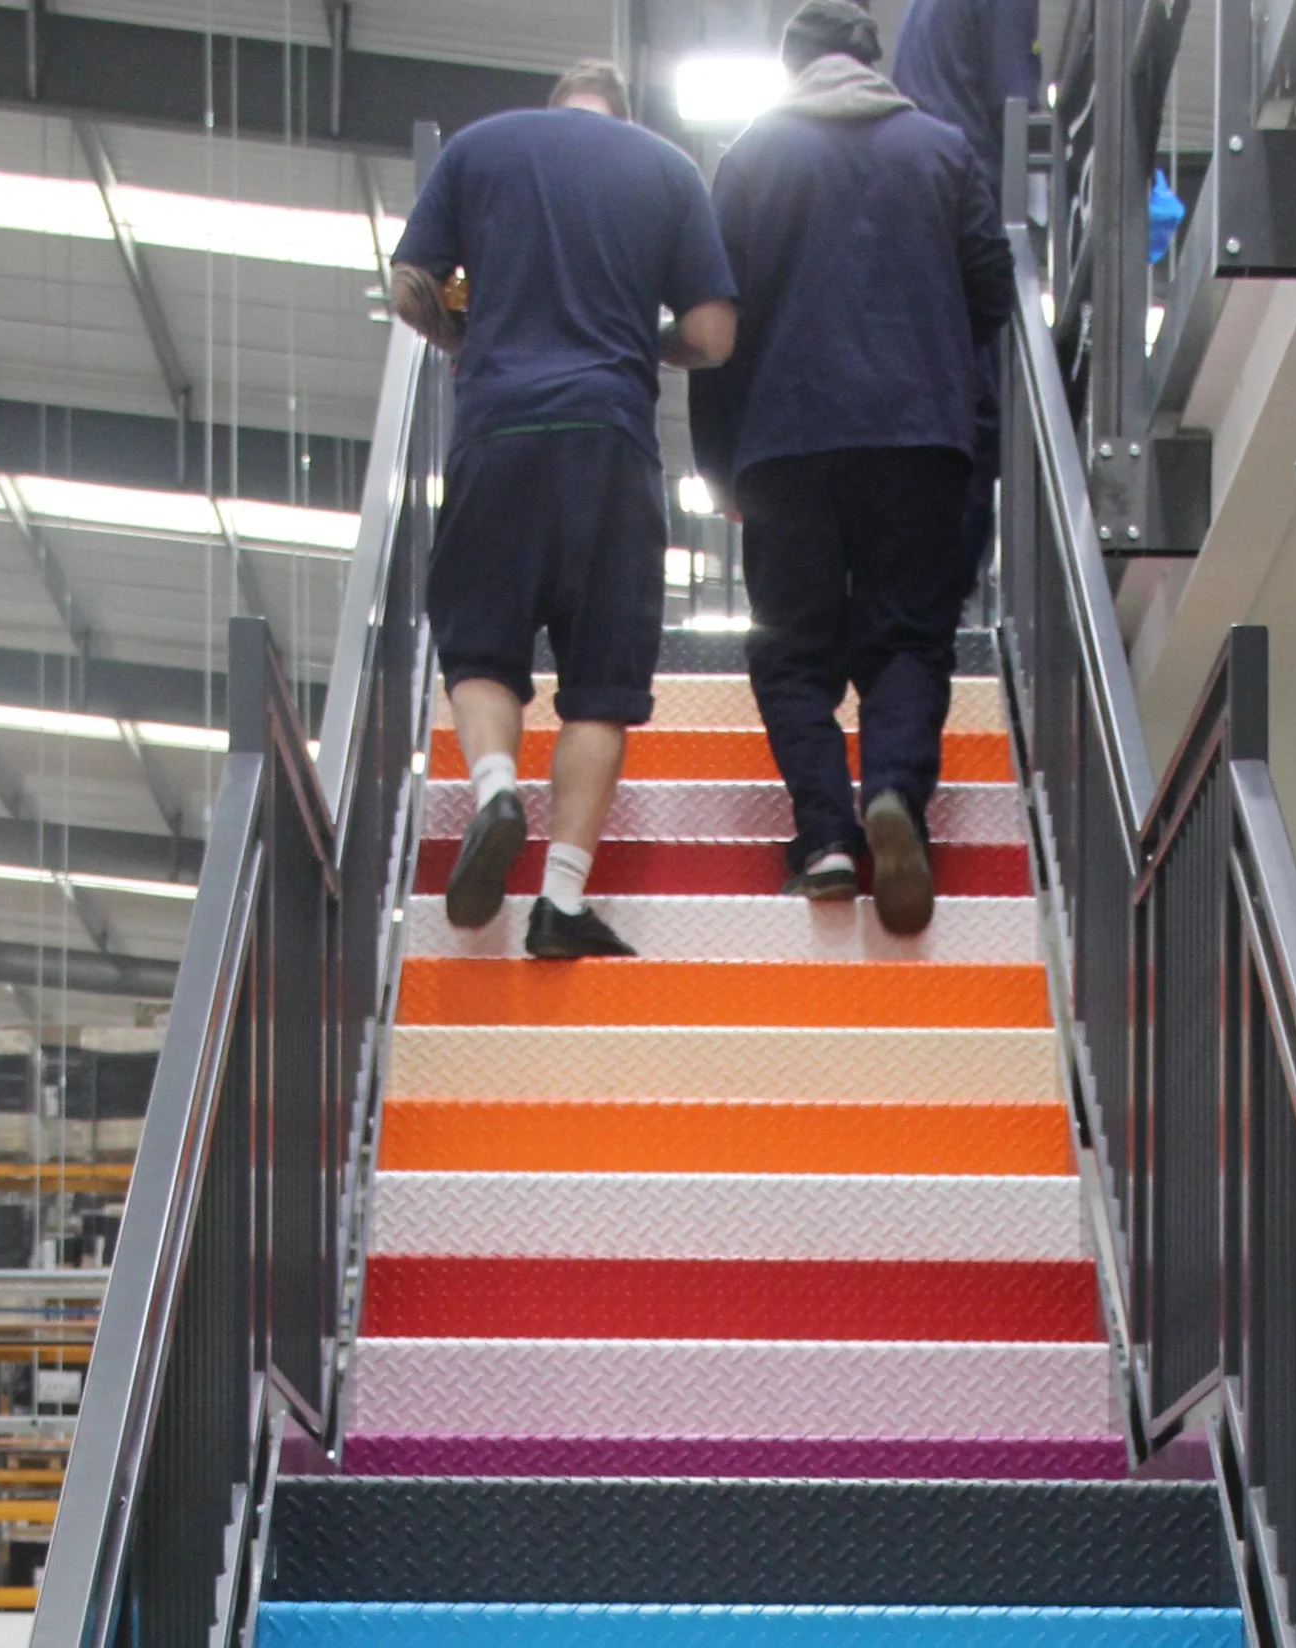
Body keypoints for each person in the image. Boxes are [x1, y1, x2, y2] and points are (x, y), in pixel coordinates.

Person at [392, 61, 736, 959]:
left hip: (496, 428)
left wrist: (462, 334)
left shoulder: (479, 150)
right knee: (602, 684)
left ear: (552, 108)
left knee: (478, 645)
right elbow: (713, 335)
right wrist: (637, 340)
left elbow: (407, 290)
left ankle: (498, 789)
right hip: (610, 439)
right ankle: (559, 903)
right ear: (622, 114)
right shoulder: (666, 169)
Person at [690, 1, 1014, 936]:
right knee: (908, 636)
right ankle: (898, 801)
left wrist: (722, 468)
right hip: (920, 435)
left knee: (792, 648)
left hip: (785, 444)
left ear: (791, 68)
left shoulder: (750, 158)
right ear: (876, 63)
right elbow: (992, 286)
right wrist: (936, 361)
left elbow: (719, 330)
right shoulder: (941, 149)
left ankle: (827, 840)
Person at [890, 0, 1038, 603]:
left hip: (920, 207)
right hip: (962, 208)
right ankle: (940, 596)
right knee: (979, 417)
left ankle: (921, 590)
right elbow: (1016, 108)